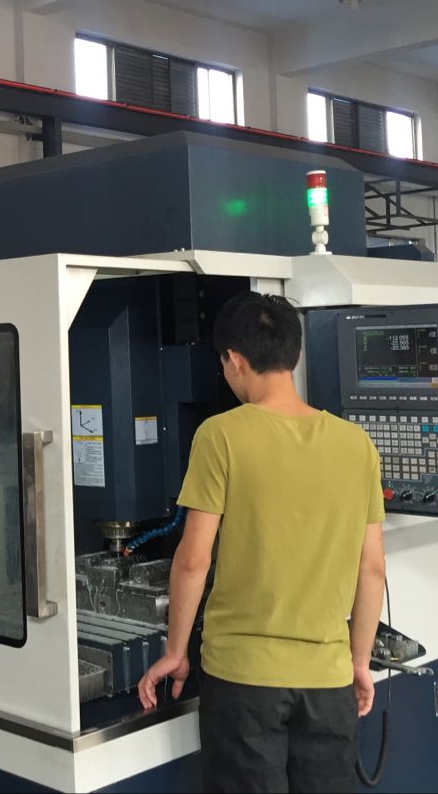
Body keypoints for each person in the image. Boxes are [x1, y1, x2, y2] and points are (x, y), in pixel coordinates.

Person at [137, 291, 387, 794]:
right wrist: (359, 662)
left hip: (242, 680)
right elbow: (372, 569)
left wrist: (176, 651)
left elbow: (193, 560)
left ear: (234, 359)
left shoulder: (221, 435)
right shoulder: (356, 444)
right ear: (295, 354)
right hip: (327, 680)